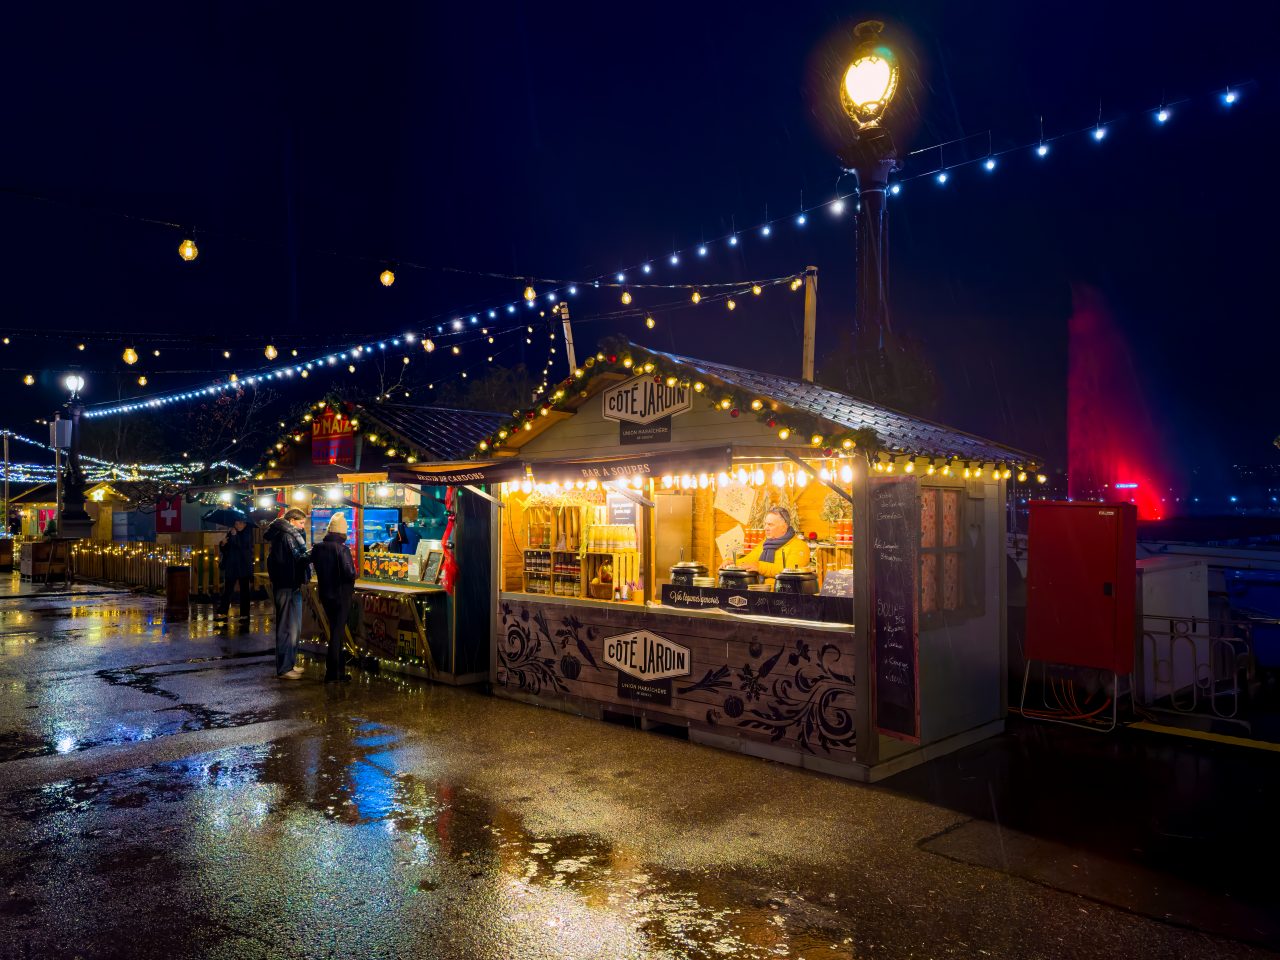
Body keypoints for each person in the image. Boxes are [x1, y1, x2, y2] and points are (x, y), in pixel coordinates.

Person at [264, 508, 311, 680]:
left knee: (293, 628)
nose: (302, 526)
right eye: (300, 522)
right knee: (287, 628)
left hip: (290, 585)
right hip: (287, 586)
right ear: (291, 521)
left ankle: (289, 664)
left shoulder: (287, 536)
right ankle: (284, 668)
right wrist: (313, 554)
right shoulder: (287, 537)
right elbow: (298, 560)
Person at [311, 512, 356, 683]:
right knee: (337, 633)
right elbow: (349, 573)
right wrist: (356, 574)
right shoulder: (342, 549)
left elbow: (303, 560)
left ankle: (337, 672)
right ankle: (333, 673)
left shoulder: (318, 547)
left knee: (334, 631)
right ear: (341, 533)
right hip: (341, 595)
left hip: (325, 594)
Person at [736, 507, 811, 579]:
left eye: (770, 525)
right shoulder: (765, 543)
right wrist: (733, 563)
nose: (765, 528)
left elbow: (790, 571)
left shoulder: (800, 546)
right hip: (761, 589)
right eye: (765, 524)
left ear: (784, 527)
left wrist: (760, 567)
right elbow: (749, 559)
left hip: (782, 590)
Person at [216, 519, 255, 623]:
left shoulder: (248, 533)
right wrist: (223, 544)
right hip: (231, 565)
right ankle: (223, 611)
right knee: (227, 589)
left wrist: (234, 536)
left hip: (243, 565)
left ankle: (244, 614)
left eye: (239, 523)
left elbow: (242, 546)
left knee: (244, 591)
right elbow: (226, 549)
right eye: (236, 523)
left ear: (244, 524)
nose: (237, 525)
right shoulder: (232, 532)